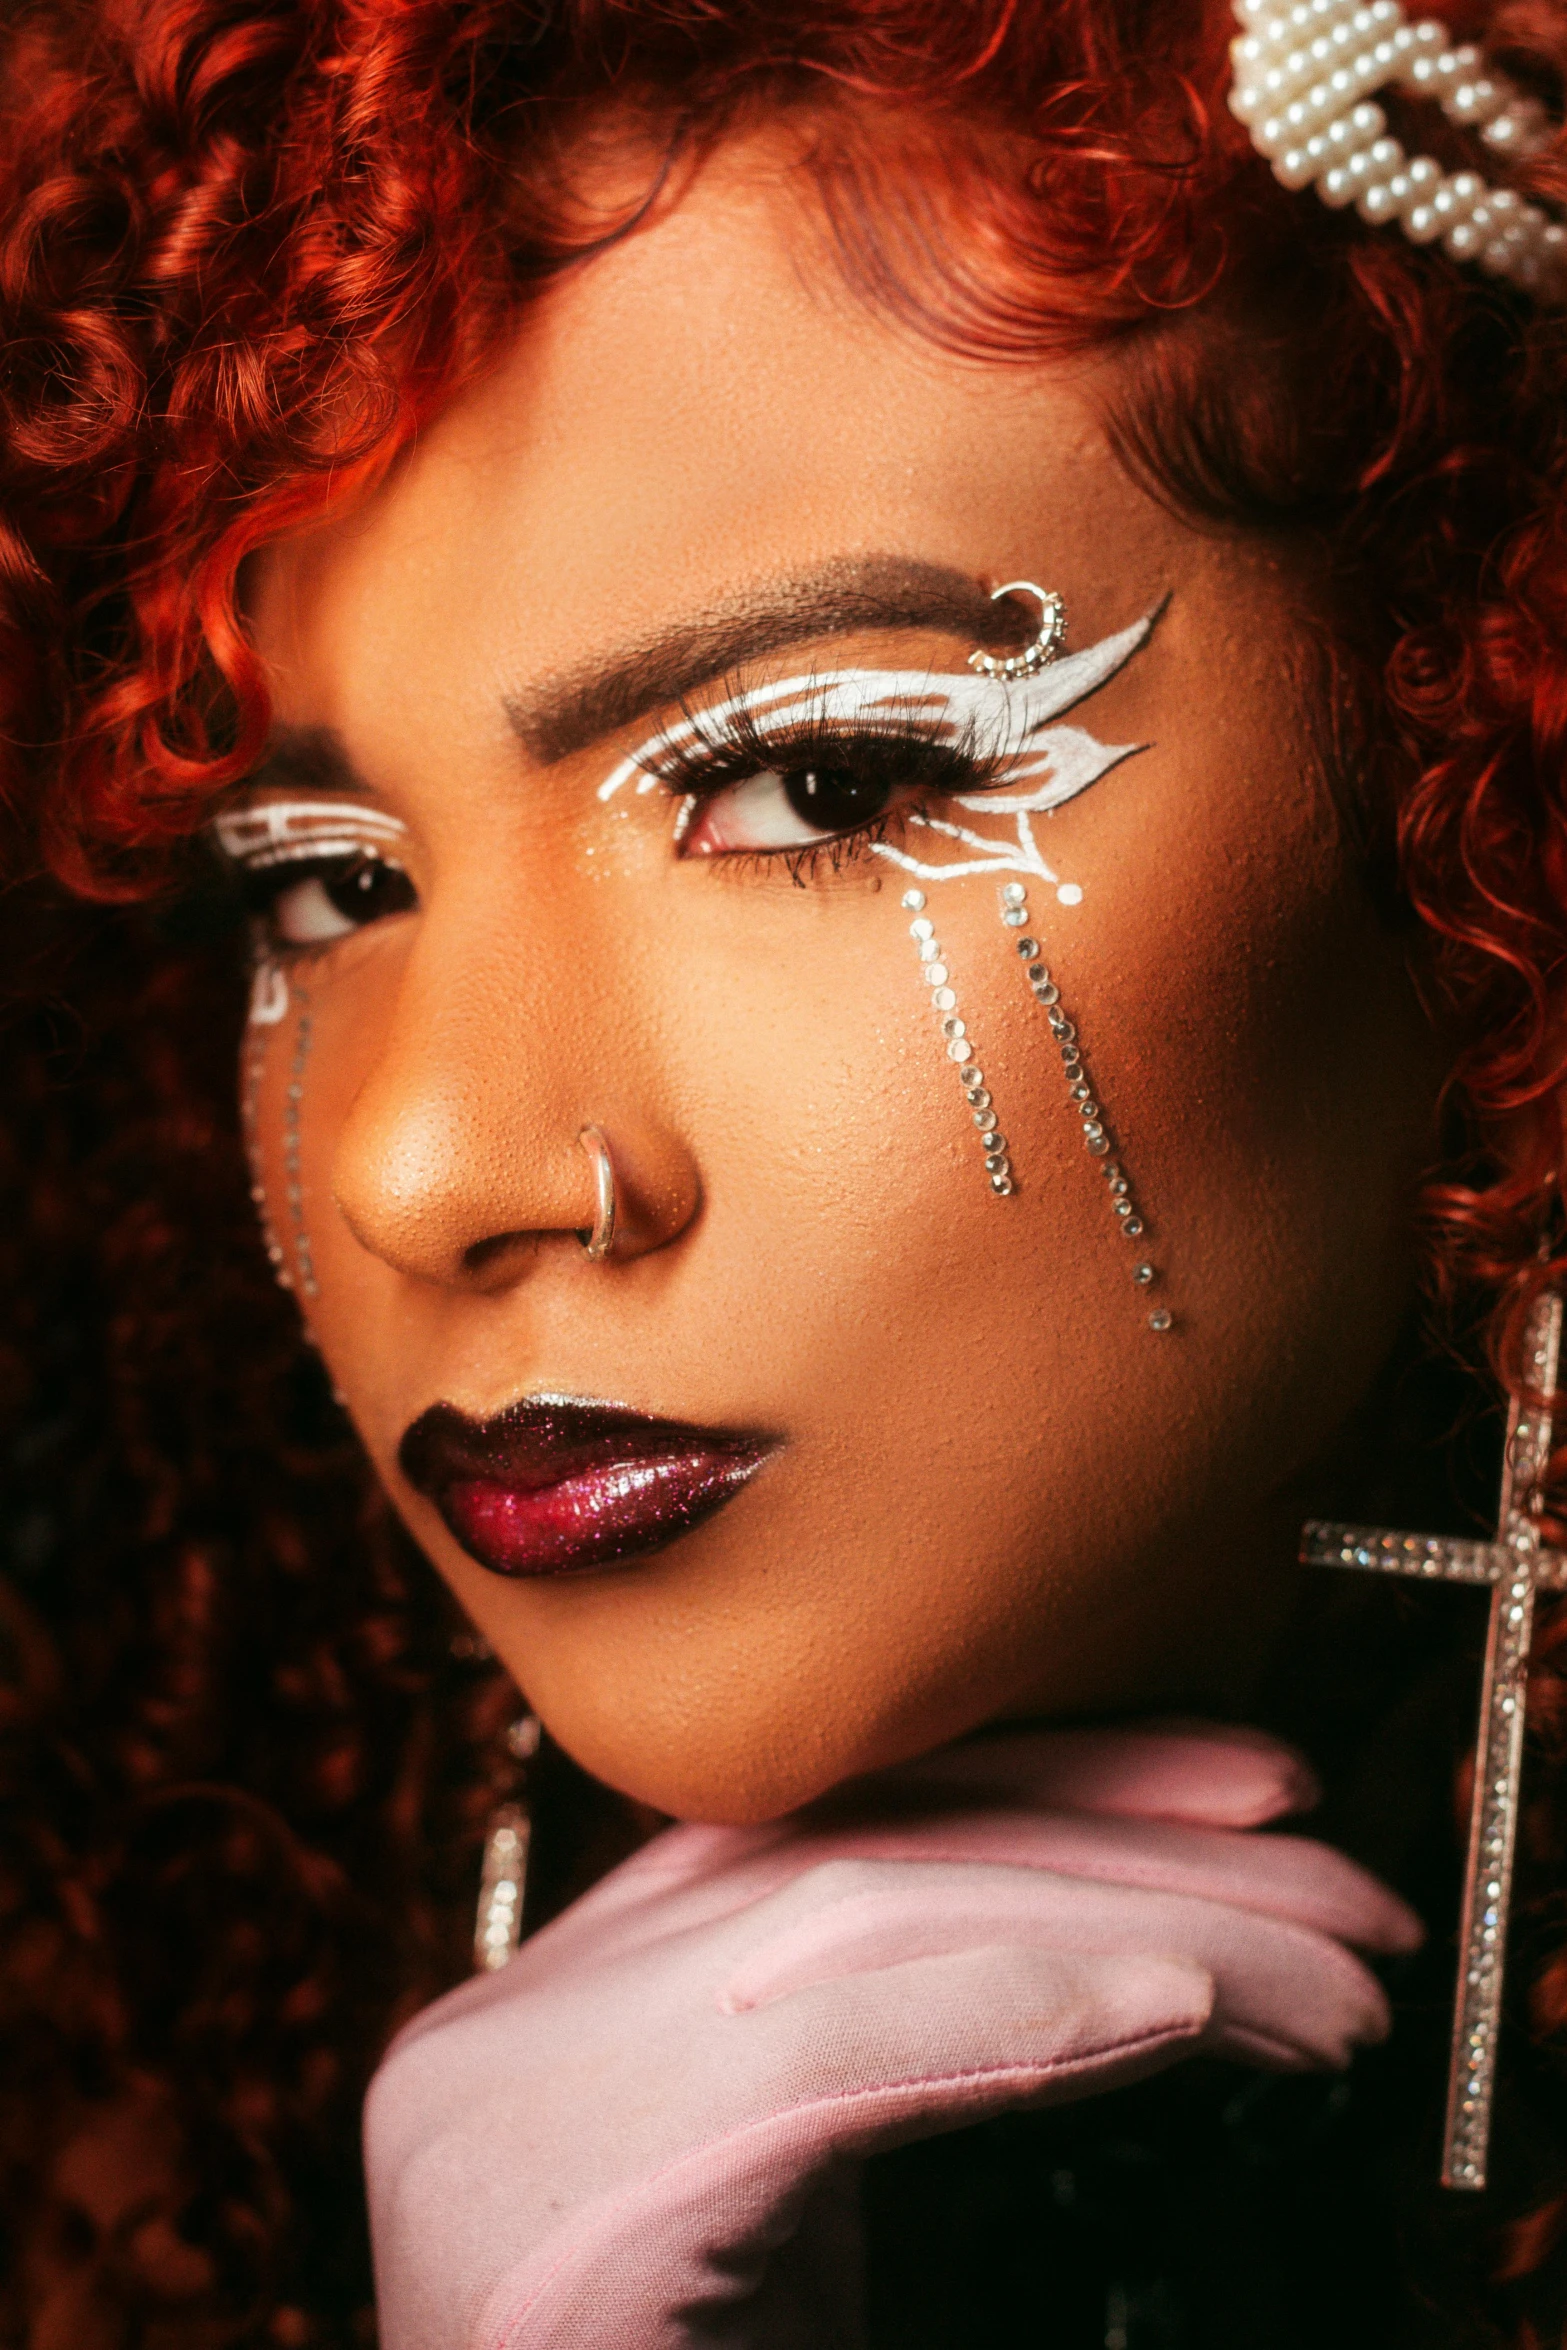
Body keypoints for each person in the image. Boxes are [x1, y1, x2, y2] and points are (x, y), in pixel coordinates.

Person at [3, 0, 1567, 2340]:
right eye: (322, 883)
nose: (429, 1163)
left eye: (822, 783)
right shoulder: (118, 2100)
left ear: (1478, 780)